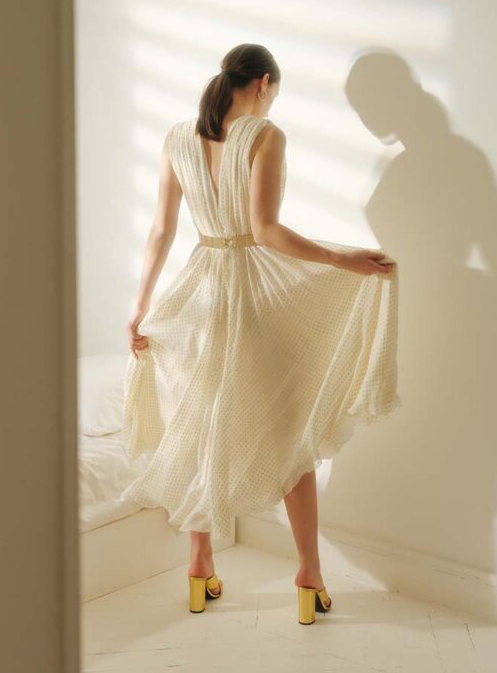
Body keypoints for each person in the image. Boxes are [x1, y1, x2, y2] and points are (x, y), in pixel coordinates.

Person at [121, 43, 401, 622]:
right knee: (290, 432)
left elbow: (160, 230)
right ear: (264, 84)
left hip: (197, 296)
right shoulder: (265, 136)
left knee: (202, 431)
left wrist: (141, 305)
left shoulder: (177, 138)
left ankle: (199, 567)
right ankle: (309, 575)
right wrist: (342, 259)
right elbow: (266, 231)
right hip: (248, 296)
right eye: (273, 94)